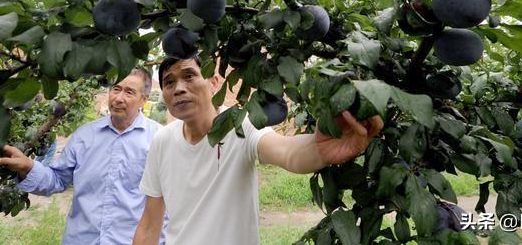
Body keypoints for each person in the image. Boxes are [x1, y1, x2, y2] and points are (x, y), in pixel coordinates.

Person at [133, 56, 383, 245]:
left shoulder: (240, 126)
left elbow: (286, 152)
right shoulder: (162, 141)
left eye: (189, 76)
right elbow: (148, 224)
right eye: (169, 82)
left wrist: (320, 149)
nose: (178, 88)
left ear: (214, 81)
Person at [0, 67, 166, 245]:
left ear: (144, 100)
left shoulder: (159, 140)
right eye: (116, 89)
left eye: (129, 92)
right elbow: (57, 179)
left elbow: (167, 203)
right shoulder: (85, 136)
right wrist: (27, 167)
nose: (118, 98)